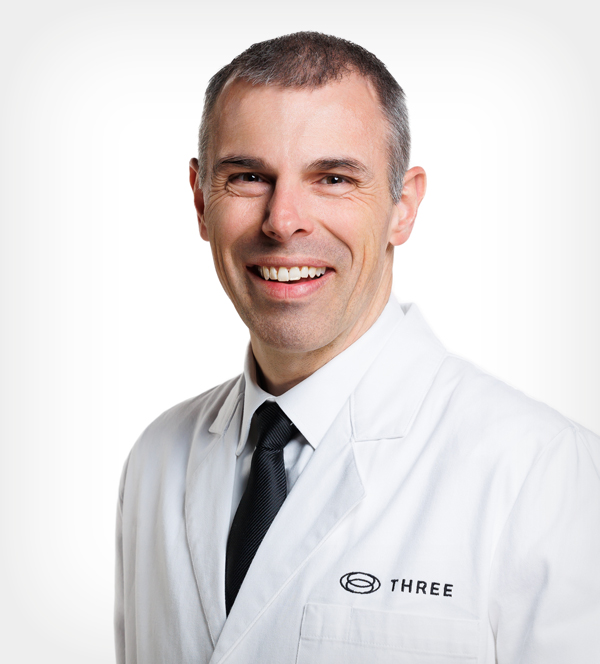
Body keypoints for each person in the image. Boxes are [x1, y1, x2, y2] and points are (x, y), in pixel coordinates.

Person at [115, 32, 600, 664]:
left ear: (404, 206)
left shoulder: (541, 473)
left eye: (334, 178)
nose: (283, 220)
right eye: (248, 177)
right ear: (201, 200)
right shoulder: (156, 459)